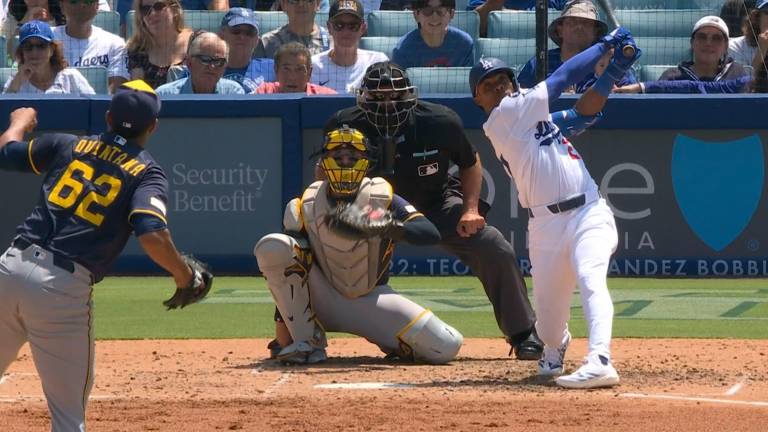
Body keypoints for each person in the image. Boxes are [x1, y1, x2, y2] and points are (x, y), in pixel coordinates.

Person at [0, 80, 212, 431]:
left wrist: (19, 121)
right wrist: (184, 275)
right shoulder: (147, 171)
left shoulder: (67, 144)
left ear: (109, 116)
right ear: (153, 126)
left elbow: (7, 153)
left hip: (8, 270)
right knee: (68, 418)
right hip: (60, 289)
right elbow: (154, 235)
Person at [322, 61, 544, 361]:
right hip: (372, 210)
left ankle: (523, 332)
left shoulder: (439, 120)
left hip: (435, 203)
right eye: (378, 97)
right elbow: (325, 171)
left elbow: (469, 162)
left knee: (492, 244)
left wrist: (469, 209)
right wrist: (340, 213)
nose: (387, 104)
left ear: (409, 95)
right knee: (335, 261)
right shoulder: (343, 123)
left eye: (395, 96)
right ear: (363, 97)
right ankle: (313, 334)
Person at [469, 25, 643, 387]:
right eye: (488, 84)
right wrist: (605, 46)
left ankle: (600, 358)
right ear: (477, 99)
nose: (499, 86)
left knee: (590, 275)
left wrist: (612, 72)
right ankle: (557, 344)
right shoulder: (501, 120)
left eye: (503, 79)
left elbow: (583, 112)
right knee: (547, 325)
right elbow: (564, 76)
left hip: (589, 212)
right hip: (545, 228)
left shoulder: (534, 117)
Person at [254, 126, 463, 365]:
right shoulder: (306, 203)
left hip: (370, 299)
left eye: (352, 158)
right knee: (274, 245)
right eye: (338, 157)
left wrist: (383, 226)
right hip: (321, 299)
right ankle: (306, 341)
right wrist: (284, 334)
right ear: (324, 161)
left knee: (446, 345)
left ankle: (390, 340)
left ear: (366, 162)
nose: (345, 163)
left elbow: (429, 233)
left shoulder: (380, 196)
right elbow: (287, 268)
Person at [518, 0, 636, 93]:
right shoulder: (540, 63)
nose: (579, 27)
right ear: (560, 30)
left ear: (596, 32)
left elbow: (631, 98)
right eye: (572, 22)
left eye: (586, 23)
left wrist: (612, 91)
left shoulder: (610, 62)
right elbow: (521, 100)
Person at [615, 16, 749, 94]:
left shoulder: (737, 72)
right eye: (702, 37)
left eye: (716, 38)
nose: (708, 43)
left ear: (726, 46)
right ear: (692, 43)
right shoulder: (671, 76)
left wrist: (642, 87)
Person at [311, 0, 388, 94]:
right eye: (339, 25)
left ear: (363, 28)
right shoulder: (314, 66)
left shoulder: (377, 62)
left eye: (353, 26)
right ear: (329, 28)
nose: (346, 31)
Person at [54, 0, 130, 94]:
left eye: (88, 1)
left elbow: (116, 89)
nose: (82, 4)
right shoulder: (47, 40)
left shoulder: (114, 44)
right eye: (74, 1)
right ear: (61, 6)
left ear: (97, 5)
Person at [3, 20, 96, 95]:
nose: (34, 52)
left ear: (51, 49)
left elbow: (94, 108)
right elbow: (3, 113)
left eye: (41, 46)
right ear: (22, 51)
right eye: (28, 47)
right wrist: (17, 82)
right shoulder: (15, 81)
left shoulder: (71, 78)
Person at [126, 0, 193, 88]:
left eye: (158, 7)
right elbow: (139, 93)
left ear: (174, 10)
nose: (152, 13)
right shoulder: (137, 51)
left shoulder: (195, 43)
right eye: (145, 9)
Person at [156, 31, 245, 94]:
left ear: (225, 66)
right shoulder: (165, 95)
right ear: (189, 63)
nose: (212, 67)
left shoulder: (234, 94)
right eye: (205, 59)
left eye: (219, 61)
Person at [391, 0, 474, 68]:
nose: (434, 16)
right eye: (427, 10)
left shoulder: (464, 44)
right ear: (416, 15)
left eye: (441, 11)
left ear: (451, 14)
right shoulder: (403, 50)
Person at [219, 7, 275, 93]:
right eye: (236, 31)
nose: (242, 37)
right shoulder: (207, 67)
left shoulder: (273, 67)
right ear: (221, 35)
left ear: (257, 40)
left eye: (249, 33)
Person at [254, 0, 332, 59]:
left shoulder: (333, 42)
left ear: (318, 3)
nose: (301, 4)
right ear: (283, 4)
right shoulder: (266, 43)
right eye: (294, 0)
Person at [255, 41, 337, 93]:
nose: (292, 77)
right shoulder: (265, 92)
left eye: (300, 69)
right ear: (276, 70)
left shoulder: (326, 97)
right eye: (286, 69)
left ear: (309, 72)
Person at [470, 0, 568, 38]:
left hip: (550, 58)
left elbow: (574, 22)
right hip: (500, 59)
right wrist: (495, 2)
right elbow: (474, 25)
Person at [728, 0, 768, 71]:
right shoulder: (736, 47)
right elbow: (743, 81)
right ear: (757, 18)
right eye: (767, 12)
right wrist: (761, 52)